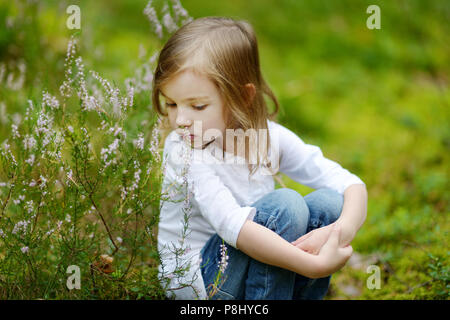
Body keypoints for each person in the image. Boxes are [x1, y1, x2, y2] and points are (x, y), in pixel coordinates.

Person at [153, 16, 368, 300]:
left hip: (249, 265)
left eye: (198, 106)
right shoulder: (183, 151)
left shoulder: (268, 137)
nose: (180, 119)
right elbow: (235, 228)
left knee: (329, 204)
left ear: (242, 96)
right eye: (171, 104)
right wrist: (312, 265)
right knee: (286, 205)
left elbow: (351, 184)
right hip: (201, 283)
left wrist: (342, 230)